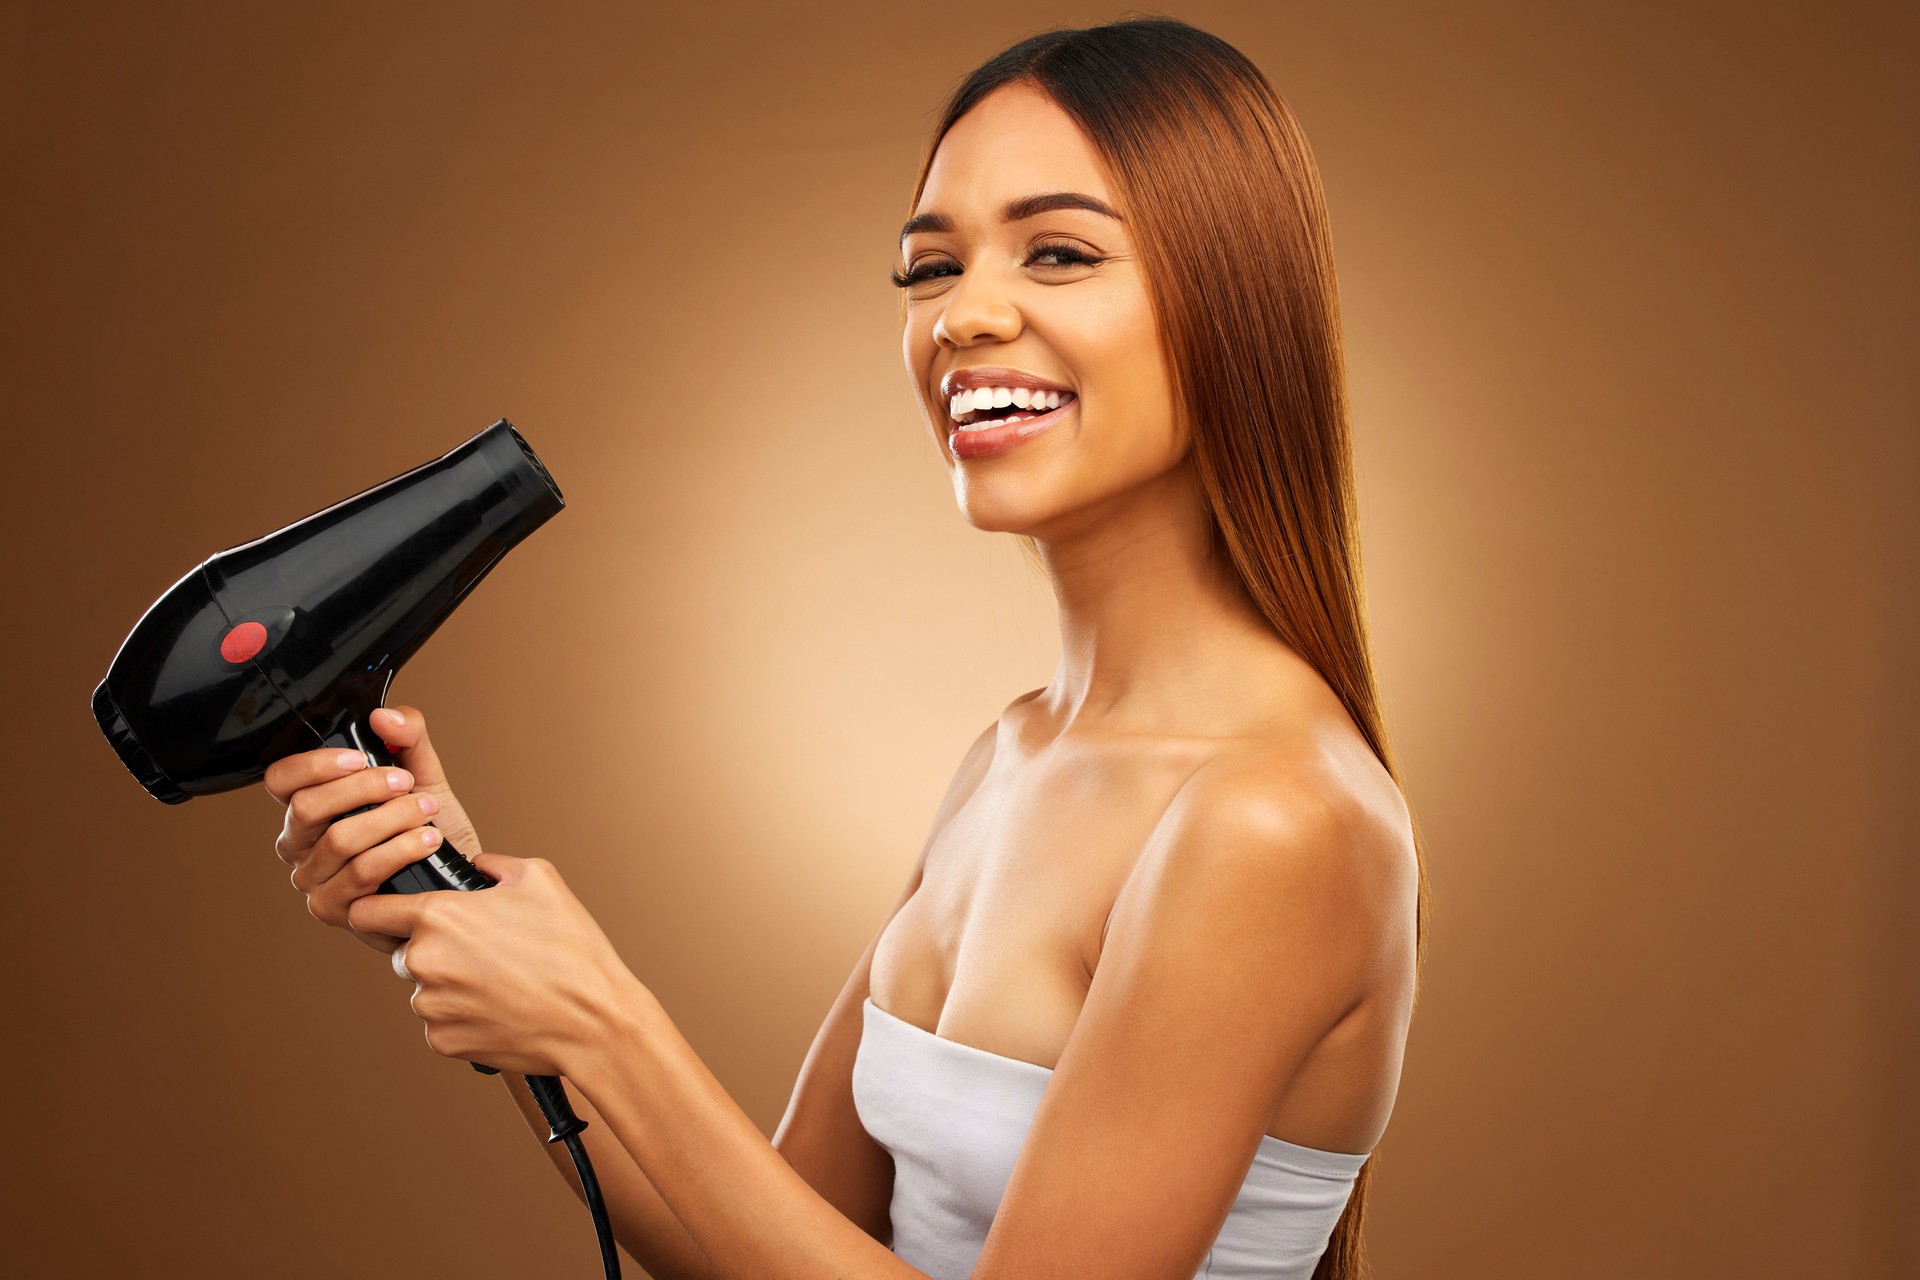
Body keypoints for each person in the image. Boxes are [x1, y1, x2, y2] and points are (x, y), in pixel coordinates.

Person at [263, 16, 1427, 1280]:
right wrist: (463, 916)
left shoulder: (1273, 819)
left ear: (1235, 299)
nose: (967, 316)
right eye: (931, 269)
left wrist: (606, 1023)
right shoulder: (1014, 755)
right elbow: (758, 1237)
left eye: (1058, 252)